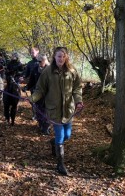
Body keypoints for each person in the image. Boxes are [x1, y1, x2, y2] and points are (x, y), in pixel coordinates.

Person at [27, 47, 83, 176]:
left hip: (68, 110)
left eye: (63, 56)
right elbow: (40, 89)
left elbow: (77, 88)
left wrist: (79, 101)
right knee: (60, 135)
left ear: (66, 57)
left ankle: (54, 143)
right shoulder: (47, 72)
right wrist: (32, 98)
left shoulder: (72, 71)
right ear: (54, 57)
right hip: (53, 110)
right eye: (59, 56)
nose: (61, 59)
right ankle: (60, 164)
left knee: (67, 135)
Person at [25, 54, 50, 135]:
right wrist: (27, 87)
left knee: (47, 110)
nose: (39, 62)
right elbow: (31, 80)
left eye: (40, 61)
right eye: (38, 61)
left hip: (48, 94)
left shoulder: (50, 69)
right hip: (37, 92)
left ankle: (46, 127)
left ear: (45, 60)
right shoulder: (35, 69)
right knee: (38, 110)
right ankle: (41, 124)